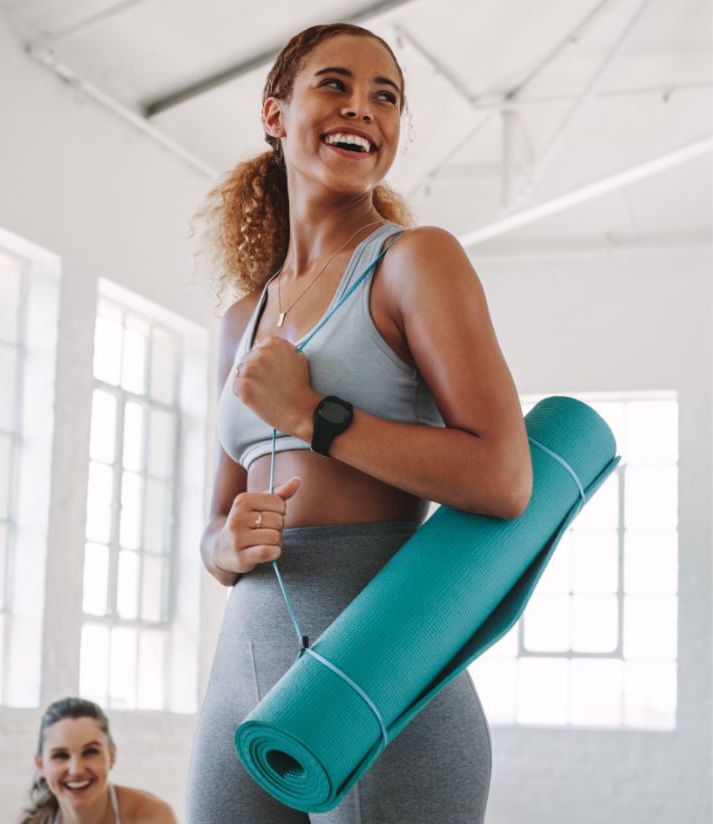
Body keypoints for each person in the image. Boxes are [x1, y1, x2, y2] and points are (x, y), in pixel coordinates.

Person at [188, 22, 532, 824]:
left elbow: (503, 477)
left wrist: (311, 415)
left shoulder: (415, 262)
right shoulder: (241, 320)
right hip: (244, 661)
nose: (362, 109)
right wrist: (225, 544)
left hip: (377, 667)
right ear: (274, 113)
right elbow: (214, 529)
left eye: (386, 97)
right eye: (334, 85)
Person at [17, 697, 177, 824]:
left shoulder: (152, 816)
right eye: (61, 755)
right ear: (40, 764)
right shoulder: (32, 821)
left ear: (111, 756)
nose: (76, 770)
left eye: (90, 752)